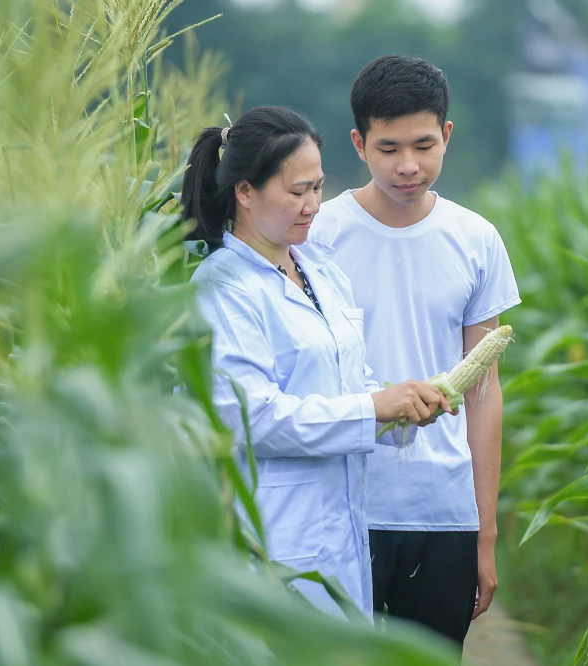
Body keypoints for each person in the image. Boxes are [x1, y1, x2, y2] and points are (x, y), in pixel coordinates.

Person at [181, 105, 453, 619]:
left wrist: (401, 411)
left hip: (340, 536)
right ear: (244, 192)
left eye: (318, 188)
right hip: (275, 542)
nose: (312, 205)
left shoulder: (319, 272)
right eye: (296, 191)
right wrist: (374, 409)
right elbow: (248, 416)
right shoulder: (223, 289)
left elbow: (352, 383)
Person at [310, 56, 521, 649]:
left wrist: (484, 533)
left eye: (425, 145)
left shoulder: (475, 239)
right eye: (388, 148)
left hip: (443, 511)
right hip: (342, 505)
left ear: (447, 136)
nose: (408, 166)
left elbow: (484, 391)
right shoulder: (317, 236)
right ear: (359, 143)